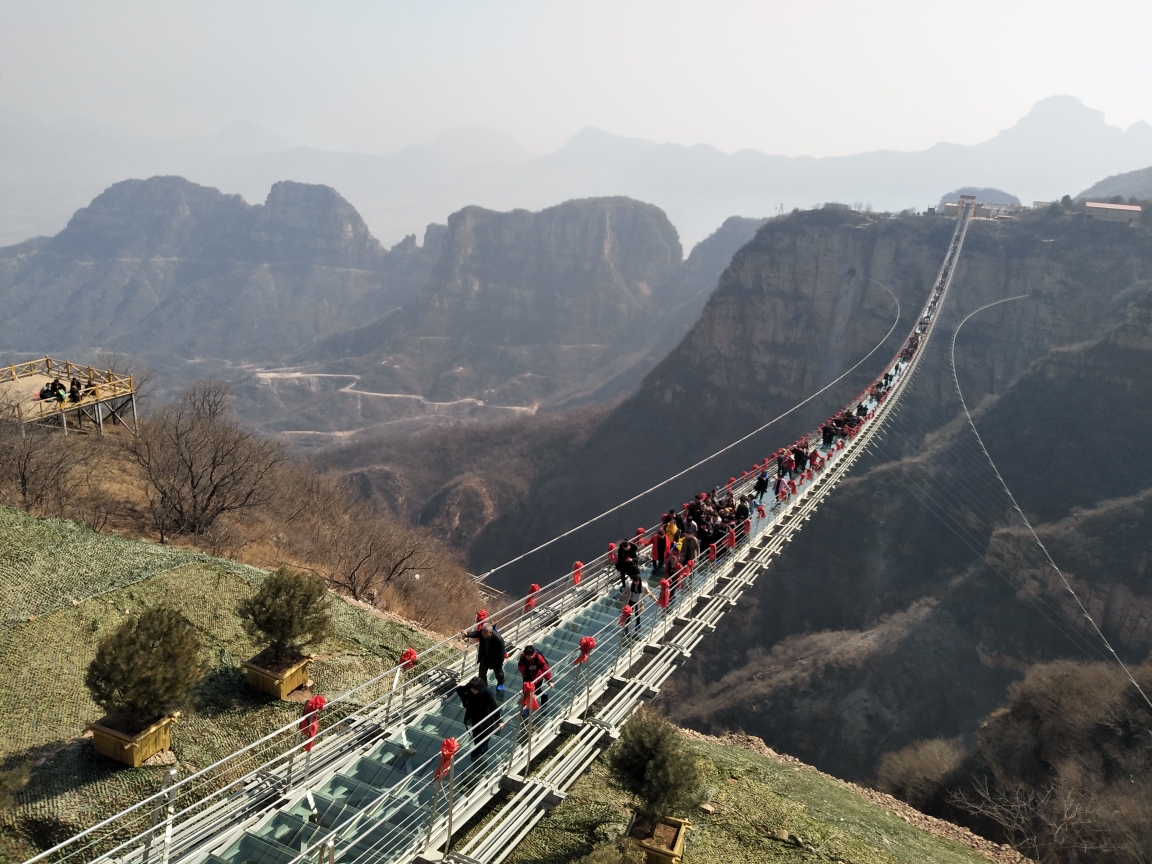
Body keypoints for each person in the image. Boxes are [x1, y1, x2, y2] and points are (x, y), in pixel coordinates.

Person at [456, 676, 503, 762]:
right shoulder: (468, 688)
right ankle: (478, 748)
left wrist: (499, 721)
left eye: (475, 689)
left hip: (486, 714)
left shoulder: (487, 693)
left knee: (485, 732)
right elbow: (459, 689)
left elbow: (494, 707)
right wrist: (465, 701)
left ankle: (483, 746)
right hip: (474, 714)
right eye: (472, 689)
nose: (473, 691)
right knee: (477, 733)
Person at [462, 622, 506, 692]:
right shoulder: (483, 633)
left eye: (485, 633)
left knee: (498, 673)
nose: (483, 635)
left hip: (495, 659)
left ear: (490, 632)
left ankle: (501, 682)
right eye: (482, 632)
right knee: (482, 673)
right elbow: (476, 634)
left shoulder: (498, 639)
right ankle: (484, 687)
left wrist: (499, 663)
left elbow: (501, 653)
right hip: (485, 657)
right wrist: (467, 634)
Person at [517, 645, 551, 715]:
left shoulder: (539, 658)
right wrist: (528, 668)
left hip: (537, 677)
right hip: (527, 677)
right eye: (527, 656)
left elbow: (545, 668)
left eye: (530, 656)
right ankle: (527, 708)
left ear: (533, 654)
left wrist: (549, 680)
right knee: (526, 692)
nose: (529, 658)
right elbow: (520, 666)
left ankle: (543, 695)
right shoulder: (523, 657)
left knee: (537, 691)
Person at [622, 574, 655, 638]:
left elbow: (649, 593)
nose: (636, 583)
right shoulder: (631, 584)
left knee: (637, 614)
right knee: (628, 614)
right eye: (635, 581)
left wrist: (655, 599)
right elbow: (626, 591)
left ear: (639, 581)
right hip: (631, 601)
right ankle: (626, 627)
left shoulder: (643, 586)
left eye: (637, 581)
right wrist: (622, 595)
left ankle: (638, 623)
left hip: (638, 602)